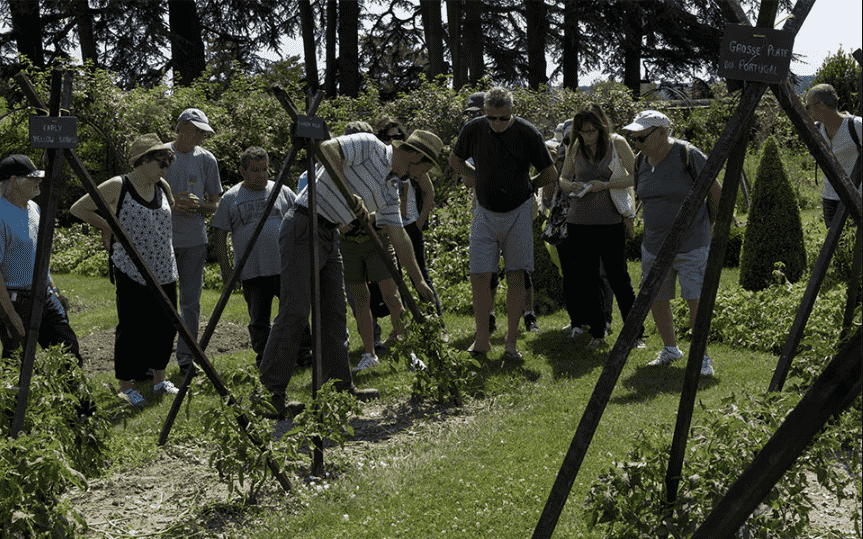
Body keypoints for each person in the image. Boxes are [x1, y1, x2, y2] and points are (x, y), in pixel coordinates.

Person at [258, 129, 437, 419]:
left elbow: (399, 235)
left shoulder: (391, 187)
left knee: (335, 313)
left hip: (330, 236)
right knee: (295, 310)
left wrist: (418, 281)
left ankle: (340, 388)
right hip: (305, 225)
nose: (418, 177)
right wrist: (349, 191)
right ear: (415, 155)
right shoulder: (370, 146)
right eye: (422, 169)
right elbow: (326, 150)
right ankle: (269, 395)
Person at [70, 134, 182, 405]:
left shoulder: (162, 186)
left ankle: (159, 380)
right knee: (132, 328)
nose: (166, 166)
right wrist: (109, 226)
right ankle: (126, 386)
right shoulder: (119, 186)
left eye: (169, 161)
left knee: (165, 327)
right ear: (142, 161)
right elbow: (79, 208)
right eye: (161, 160)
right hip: (131, 269)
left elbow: (168, 214)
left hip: (165, 269)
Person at [449, 87, 557, 359]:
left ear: (511, 113)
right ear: (485, 113)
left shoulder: (527, 132)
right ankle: (482, 339)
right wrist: (474, 176)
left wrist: (530, 185)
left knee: (516, 273)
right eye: (492, 118)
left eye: (503, 118)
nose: (497, 124)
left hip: (518, 210)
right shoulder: (473, 129)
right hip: (484, 210)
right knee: (479, 275)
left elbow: (550, 171)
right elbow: (454, 160)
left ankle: (511, 342)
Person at [622, 111, 721, 376]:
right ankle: (670, 348)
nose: (636, 142)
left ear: (662, 133)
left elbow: (715, 191)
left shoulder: (687, 154)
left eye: (641, 137)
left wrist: (712, 227)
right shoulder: (641, 160)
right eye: (634, 137)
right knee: (657, 296)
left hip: (692, 242)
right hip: (654, 245)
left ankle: (702, 358)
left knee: (696, 299)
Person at [557, 104, 644, 349]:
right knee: (587, 279)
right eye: (583, 132)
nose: (588, 137)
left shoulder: (617, 143)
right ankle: (597, 333)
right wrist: (571, 185)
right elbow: (562, 178)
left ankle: (635, 334)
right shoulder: (575, 146)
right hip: (579, 222)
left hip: (610, 222)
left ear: (601, 128)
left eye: (592, 131)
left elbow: (636, 176)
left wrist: (605, 185)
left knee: (619, 278)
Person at [212, 147, 299, 369]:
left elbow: (300, 221)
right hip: (252, 270)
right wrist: (227, 270)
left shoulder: (282, 191)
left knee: (293, 312)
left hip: (284, 266)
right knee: (259, 319)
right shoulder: (231, 198)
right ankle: (265, 358)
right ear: (242, 171)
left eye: (264, 169)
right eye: (255, 170)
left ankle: (303, 353)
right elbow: (219, 235)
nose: (261, 175)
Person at [0, 155, 83, 367]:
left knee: (69, 354)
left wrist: (54, 290)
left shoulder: (34, 209)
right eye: (31, 178)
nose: (38, 181)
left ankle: (82, 401)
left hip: (44, 295)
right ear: (12, 181)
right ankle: (17, 401)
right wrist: (10, 314)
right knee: (17, 364)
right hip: (15, 300)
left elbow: (39, 256)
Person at [163, 108, 222, 377]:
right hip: (161, 240)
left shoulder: (207, 159)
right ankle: (157, 359)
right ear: (183, 126)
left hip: (194, 241)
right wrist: (173, 203)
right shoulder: (160, 155)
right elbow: (143, 195)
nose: (201, 136)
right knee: (161, 301)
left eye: (203, 132)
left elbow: (215, 205)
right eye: (198, 130)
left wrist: (201, 206)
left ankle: (187, 358)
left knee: (191, 302)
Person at [805, 84, 863, 227]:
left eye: (808, 107)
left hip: (857, 196)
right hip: (830, 198)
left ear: (821, 105)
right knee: (834, 246)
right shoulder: (816, 131)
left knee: (856, 244)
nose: (807, 111)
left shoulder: (856, 125)